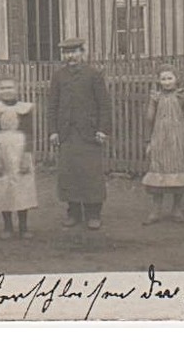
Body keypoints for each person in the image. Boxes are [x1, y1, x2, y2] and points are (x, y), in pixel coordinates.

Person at [46, 37, 111, 229]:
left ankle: (94, 213)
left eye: (74, 51)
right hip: (67, 134)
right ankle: (73, 212)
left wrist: (102, 129)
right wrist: (53, 131)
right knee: (69, 174)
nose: (71, 56)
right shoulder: (58, 76)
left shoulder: (94, 75)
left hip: (89, 134)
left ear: (83, 52)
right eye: (67, 52)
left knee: (91, 174)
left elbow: (104, 106)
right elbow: (52, 106)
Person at [141, 66, 184, 225]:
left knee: (178, 174)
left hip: (177, 141)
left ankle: (177, 208)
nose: (167, 82)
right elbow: (149, 120)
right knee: (157, 173)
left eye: (170, 78)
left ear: (176, 79)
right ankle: (156, 209)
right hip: (159, 140)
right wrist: (148, 142)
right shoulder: (155, 97)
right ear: (159, 81)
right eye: (163, 79)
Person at [0, 76, 38, 239]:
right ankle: (7, 225)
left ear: (17, 90)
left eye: (10, 88)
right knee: (3, 184)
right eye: (3, 88)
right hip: (1, 148)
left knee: (22, 184)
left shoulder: (25, 108)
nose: (7, 91)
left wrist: (26, 155)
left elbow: (29, 133)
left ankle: (23, 226)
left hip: (20, 147)